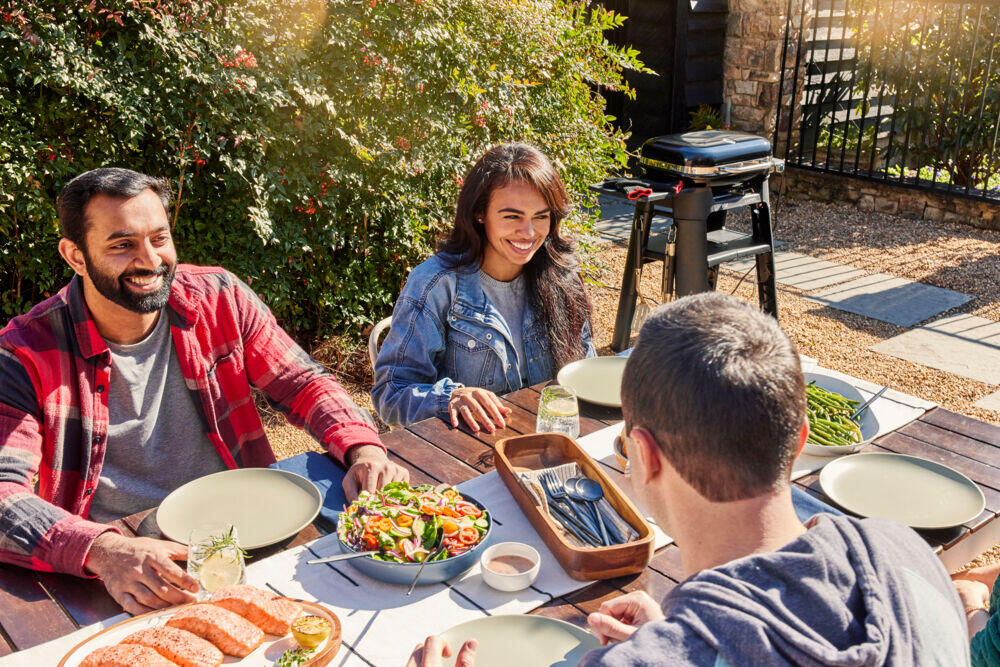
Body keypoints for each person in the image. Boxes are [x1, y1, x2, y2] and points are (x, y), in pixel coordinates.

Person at [409, 293, 969, 665]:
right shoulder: (906, 553)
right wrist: (680, 630)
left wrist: (671, 645)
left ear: (644, 457)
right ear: (798, 442)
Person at [0, 168, 408, 615]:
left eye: (159, 238)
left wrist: (364, 448)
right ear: (75, 256)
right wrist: (103, 550)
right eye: (122, 245)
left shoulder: (219, 296)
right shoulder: (23, 352)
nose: (150, 260)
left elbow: (302, 381)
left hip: (250, 533)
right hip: (119, 565)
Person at [371, 143, 595, 430]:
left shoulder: (561, 276)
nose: (528, 232)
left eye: (541, 216)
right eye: (512, 216)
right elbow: (390, 395)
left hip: (551, 449)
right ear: (480, 213)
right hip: (465, 462)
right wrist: (449, 398)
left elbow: (584, 371)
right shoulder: (436, 285)